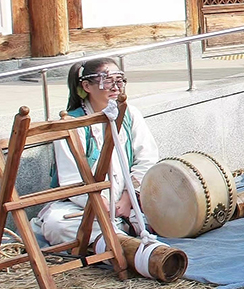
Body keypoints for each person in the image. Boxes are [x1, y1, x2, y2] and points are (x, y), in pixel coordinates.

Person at [32, 58, 160, 247]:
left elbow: (147, 159)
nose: (115, 87)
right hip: (86, 205)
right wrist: (101, 205)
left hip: (129, 201)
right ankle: (121, 239)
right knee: (56, 224)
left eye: (119, 80)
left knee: (171, 206)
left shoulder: (130, 114)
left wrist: (128, 198)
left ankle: (114, 234)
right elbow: (72, 179)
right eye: (107, 81)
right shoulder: (71, 124)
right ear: (86, 86)